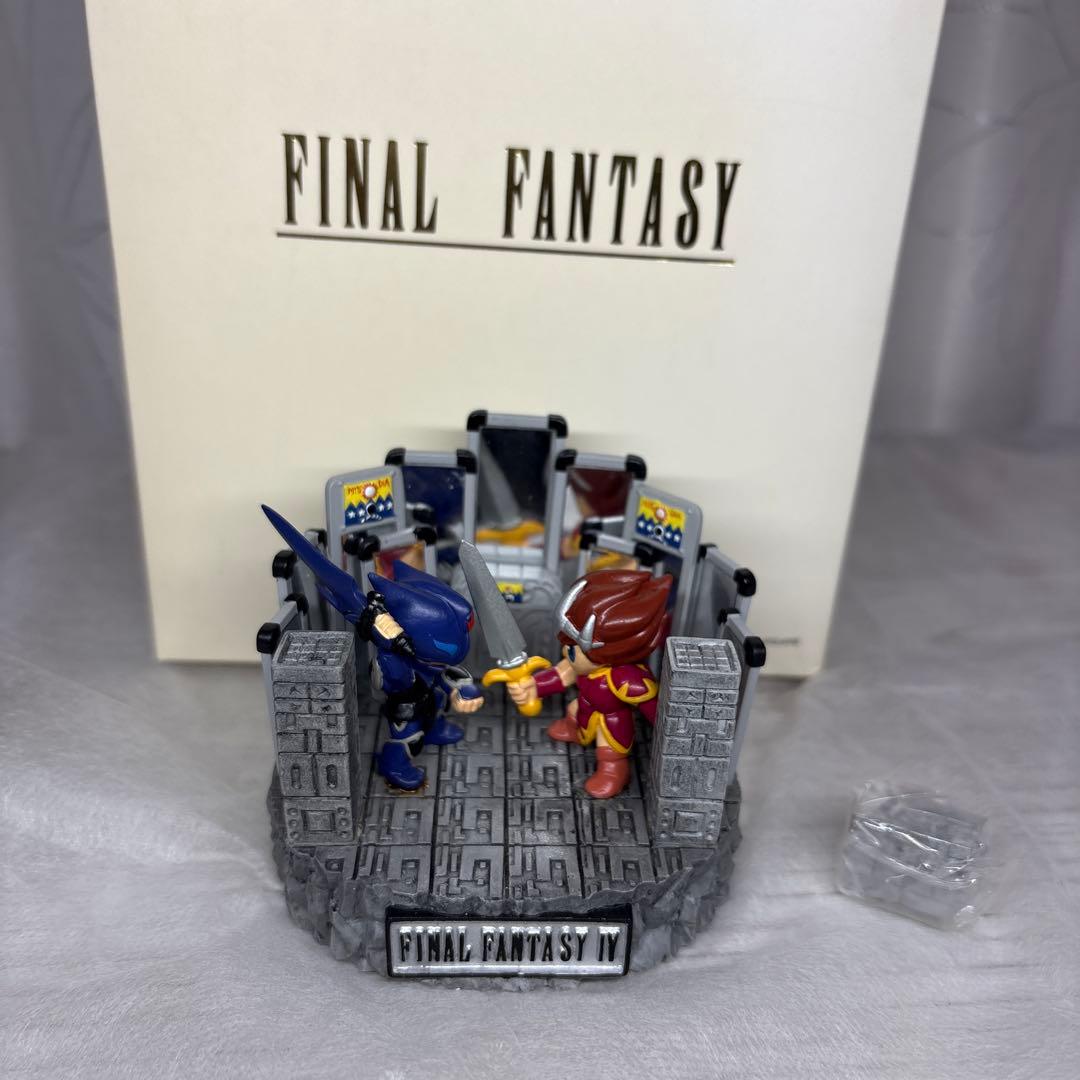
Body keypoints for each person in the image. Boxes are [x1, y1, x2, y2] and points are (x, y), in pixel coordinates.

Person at [507, 569, 672, 798]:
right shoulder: (580, 664)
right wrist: (532, 687)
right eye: (568, 644)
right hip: (585, 706)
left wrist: (666, 728)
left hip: (610, 719)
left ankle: (614, 771)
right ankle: (573, 730)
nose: (567, 652)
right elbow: (561, 674)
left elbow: (652, 706)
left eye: (573, 649)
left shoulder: (622, 678)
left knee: (609, 745)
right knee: (574, 708)